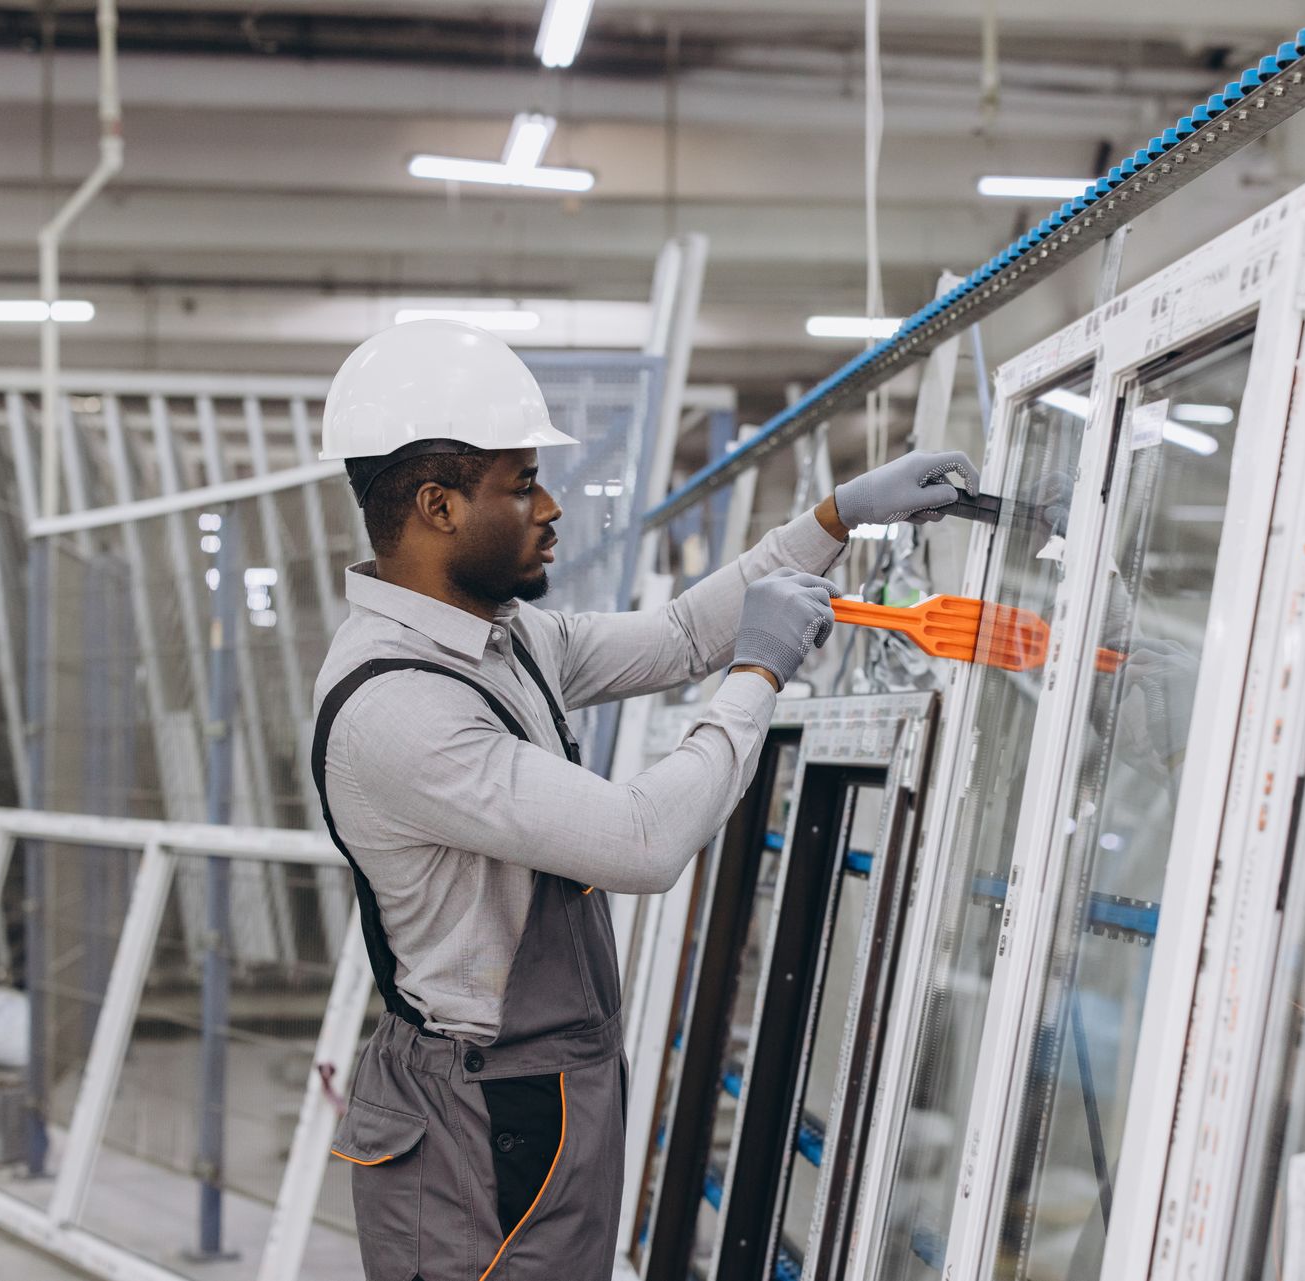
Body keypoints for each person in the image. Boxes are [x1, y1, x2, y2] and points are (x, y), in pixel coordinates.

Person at [311, 319, 977, 1281]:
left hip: (543, 1090)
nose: (551, 506)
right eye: (520, 482)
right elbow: (642, 840)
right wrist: (758, 676)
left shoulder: (500, 638)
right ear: (437, 506)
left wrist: (829, 523)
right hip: (478, 1122)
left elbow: (674, 633)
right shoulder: (399, 710)